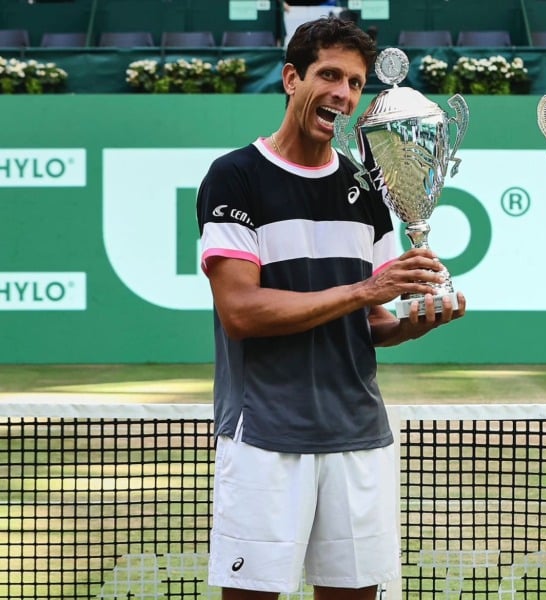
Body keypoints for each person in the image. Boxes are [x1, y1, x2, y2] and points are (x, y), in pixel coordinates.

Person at [196, 17, 465, 600]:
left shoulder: (371, 189)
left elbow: (372, 326)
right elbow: (240, 311)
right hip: (264, 435)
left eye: (355, 82)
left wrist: (416, 323)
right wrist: (367, 290)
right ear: (293, 79)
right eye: (330, 75)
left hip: (358, 435)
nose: (343, 93)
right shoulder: (234, 177)